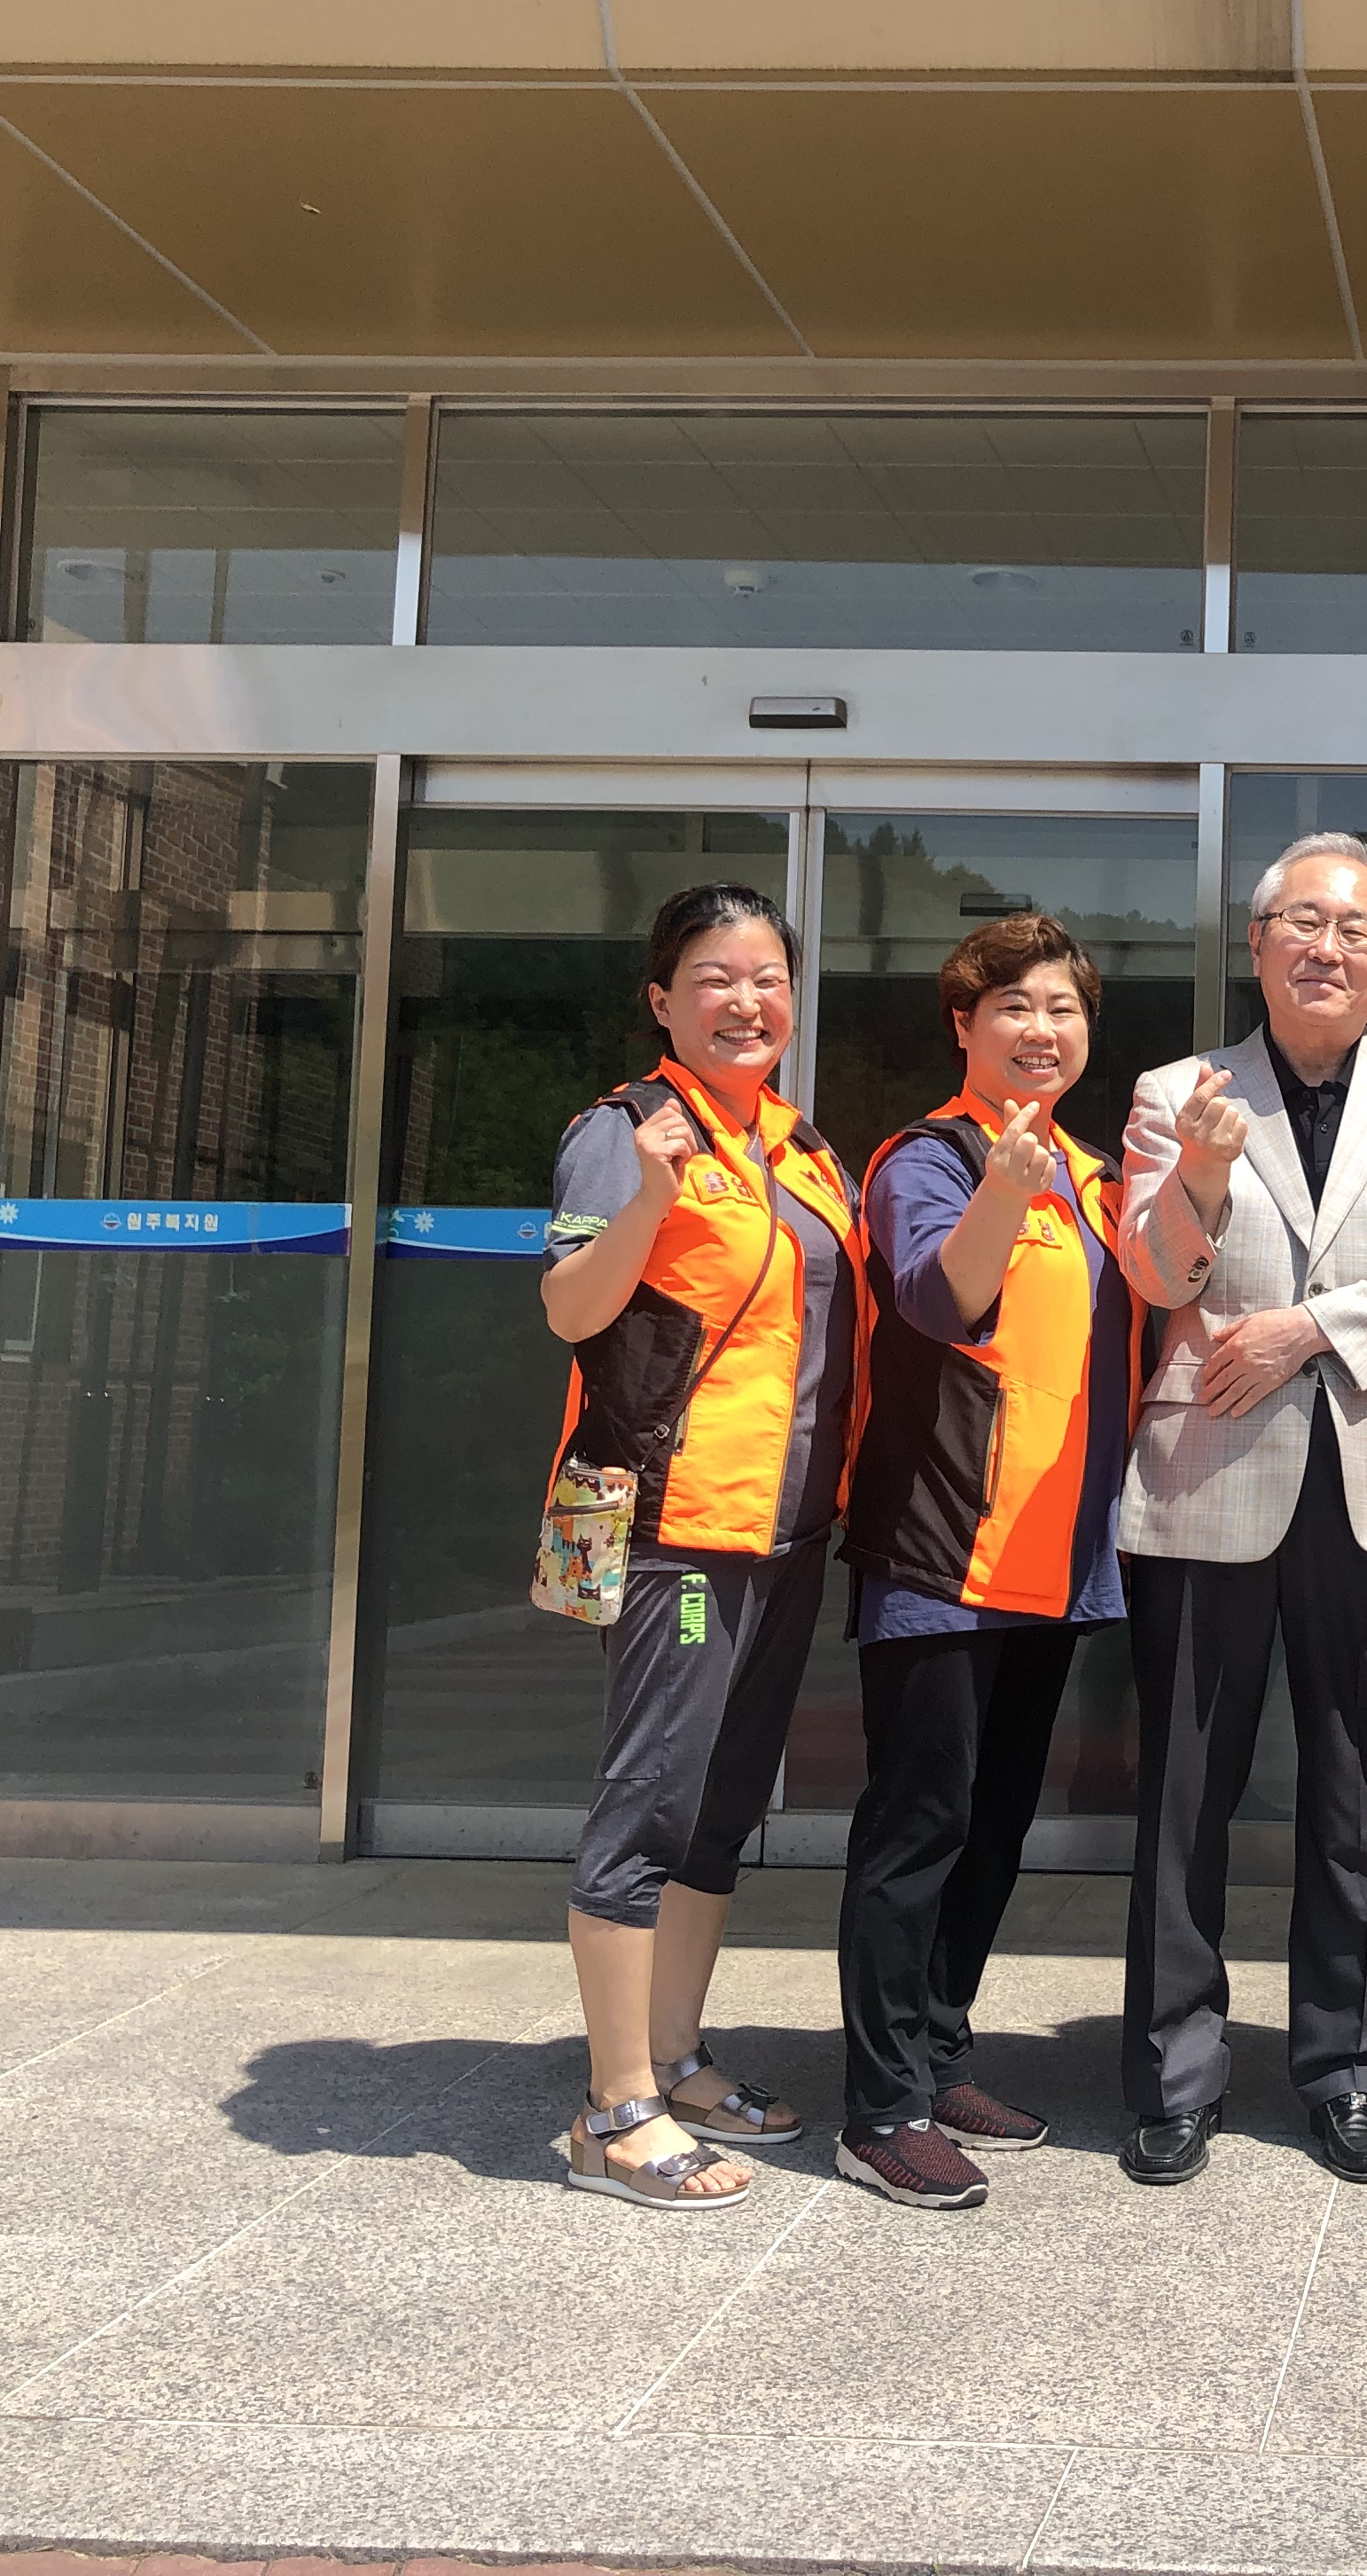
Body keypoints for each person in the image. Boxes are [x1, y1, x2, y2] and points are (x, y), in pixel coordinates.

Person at [1113, 831, 1367, 2188]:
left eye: (1356, 932)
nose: (1327, 948)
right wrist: (1202, 1178)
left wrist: (1308, 1330)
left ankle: (1349, 2072)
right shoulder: (1177, 1091)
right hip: (1208, 1466)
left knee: (1359, 1792)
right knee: (1185, 1791)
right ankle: (1174, 2074)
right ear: (1259, 940)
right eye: (1304, 923)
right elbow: (1156, 1277)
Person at [539, 882, 855, 2211]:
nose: (747, 1000)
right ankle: (613, 2111)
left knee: (723, 1805)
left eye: (768, 976)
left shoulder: (799, 1145)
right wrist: (650, 1200)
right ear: (663, 1000)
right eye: (716, 978)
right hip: (680, 1522)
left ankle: (673, 2058)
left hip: (787, 1528)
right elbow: (571, 1308)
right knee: (651, 1802)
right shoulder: (626, 1133)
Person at [831, 912, 1140, 2212]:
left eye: (1063, 1008)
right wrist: (1002, 1192)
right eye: (1014, 1005)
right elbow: (933, 1298)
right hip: (941, 1551)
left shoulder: (1090, 1171)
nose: (1042, 1029)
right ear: (964, 1024)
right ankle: (880, 2105)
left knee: (996, 1824)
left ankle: (940, 2051)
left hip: (1052, 1558)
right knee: (919, 1825)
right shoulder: (932, 1157)